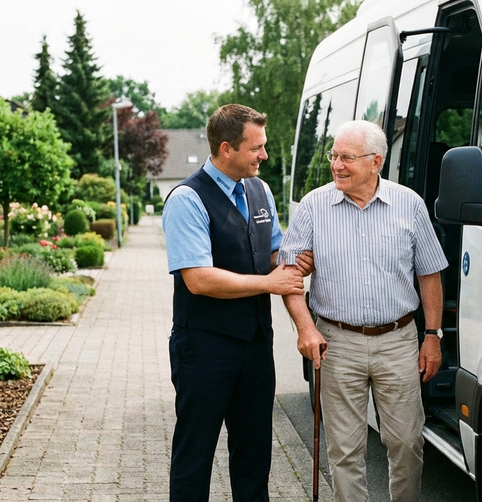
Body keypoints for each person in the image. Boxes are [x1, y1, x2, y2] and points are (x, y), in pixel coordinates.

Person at [279, 120, 449, 502]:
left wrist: (432, 336)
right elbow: (288, 277)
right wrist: (306, 329)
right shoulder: (313, 206)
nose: (336, 165)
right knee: (345, 452)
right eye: (334, 156)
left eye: (346, 158)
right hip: (337, 342)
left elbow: (430, 274)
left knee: (406, 443)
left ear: (376, 161)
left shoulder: (409, 204)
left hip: (398, 340)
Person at [162, 103, 309, 502]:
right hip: (204, 347)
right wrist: (268, 282)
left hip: (256, 345)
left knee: (254, 453)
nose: (264, 155)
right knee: (195, 455)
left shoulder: (260, 190)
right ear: (226, 149)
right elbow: (198, 279)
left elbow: (277, 254)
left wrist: (303, 261)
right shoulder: (187, 199)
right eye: (256, 148)